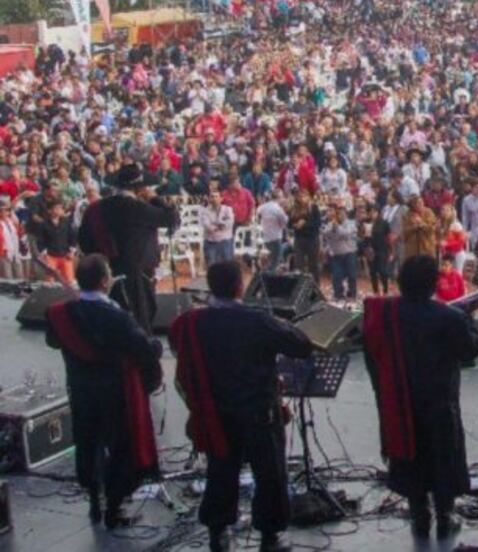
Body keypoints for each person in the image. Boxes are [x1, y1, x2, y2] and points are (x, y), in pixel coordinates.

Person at [169, 260, 314, 552]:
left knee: (220, 470)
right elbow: (301, 345)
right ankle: (269, 536)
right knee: (270, 473)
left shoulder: (193, 322)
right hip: (259, 411)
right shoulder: (257, 321)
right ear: (240, 286)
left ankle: (218, 530)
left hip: (216, 411)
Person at [362, 256, 478, 539]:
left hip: (400, 399)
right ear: (433, 283)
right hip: (439, 400)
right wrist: (469, 319)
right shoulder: (449, 316)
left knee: (411, 453)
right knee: (442, 456)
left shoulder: (385, 313)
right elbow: (471, 351)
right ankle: (445, 515)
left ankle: (419, 514)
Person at [46, 254, 162, 529]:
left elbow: (53, 341)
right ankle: (114, 506)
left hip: (81, 388)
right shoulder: (116, 317)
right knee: (120, 445)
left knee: (88, 441)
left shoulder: (62, 314)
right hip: (114, 390)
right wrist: (156, 346)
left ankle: (93, 499)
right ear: (104, 280)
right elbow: (143, 349)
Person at [78, 164, 178, 333]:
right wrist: (154, 197)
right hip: (137, 274)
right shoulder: (138, 208)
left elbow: (83, 239)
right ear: (140, 188)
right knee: (138, 321)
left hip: (105, 271)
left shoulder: (96, 208)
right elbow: (171, 218)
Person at [322, 202, 359, 301]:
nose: (341, 215)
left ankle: (352, 294)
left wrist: (336, 228)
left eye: (343, 213)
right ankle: (338, 294)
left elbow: (345, 234)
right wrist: (334, 227)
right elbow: (325, 233)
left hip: (349, 252)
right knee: (336, 276)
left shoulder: (352, 223)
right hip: (336, 254)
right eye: (339, 213)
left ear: (346, 213)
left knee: (352, 274)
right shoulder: (331, 223)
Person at [288, 191, 322, 281]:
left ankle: (315, 285)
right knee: (299, 264)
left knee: (313, 264)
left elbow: (318, 223)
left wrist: (305, 224)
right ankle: (300, 285)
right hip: (299, 239)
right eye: (300, 197)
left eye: (304, 196)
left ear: (308, 197)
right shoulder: (294, 208)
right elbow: (289, 223)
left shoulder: (313, 208)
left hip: (312, 239)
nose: (302, 199)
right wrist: (295, 225)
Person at [256, 190, 289, 271]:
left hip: (264, 237)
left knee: (268, 261)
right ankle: (269, 278)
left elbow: (257, 215)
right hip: (275, 237)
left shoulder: (263, 207)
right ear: (278, 198)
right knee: (275, 262)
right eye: (282, 197)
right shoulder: (278, 209)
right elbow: (285, 222)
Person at [200, 188, 236, 265]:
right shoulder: (204, 211)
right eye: (212, 197)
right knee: (211, 267)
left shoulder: (228, 210)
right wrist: (221, 225)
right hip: (210, 242)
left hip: (225, 241)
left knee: (228, 266)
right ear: (209, 199)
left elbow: (230, 223)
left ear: (221, 199)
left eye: (216, 196)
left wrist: (217, 225)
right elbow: (207, 225)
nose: (214, 198)